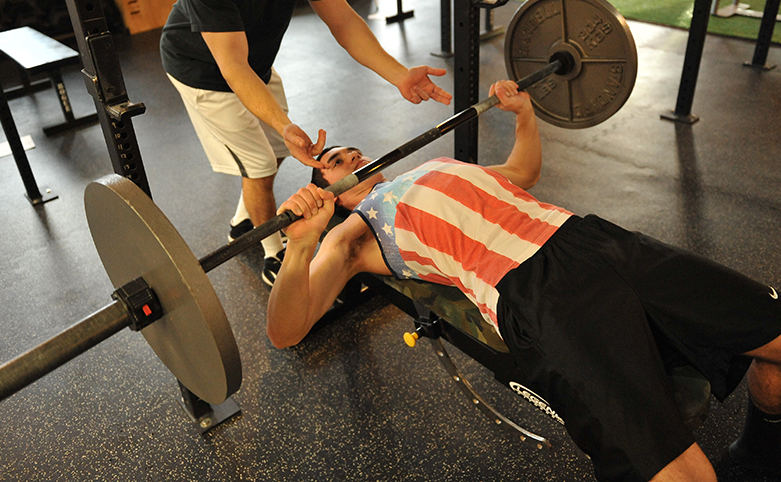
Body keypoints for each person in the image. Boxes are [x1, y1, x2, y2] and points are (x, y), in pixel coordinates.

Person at [267, 80, 781, 482]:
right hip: (535, 293)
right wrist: (302, 244)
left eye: (354, 152)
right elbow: (285, 330)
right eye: (336, 162)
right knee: (688, 474)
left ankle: (756, 454)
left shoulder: (430, 170)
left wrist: (525, 115)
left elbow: (523, 171)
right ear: (326, 194)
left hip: (593, 239)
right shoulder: (352, 236)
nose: (353, 158)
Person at [160, 0, 450, 286]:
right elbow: (233, 67)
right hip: (203, 72)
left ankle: (244, 222)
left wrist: (398, 74)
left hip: (255, 63)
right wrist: (283, 122)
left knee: (277, 154)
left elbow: (343, 20)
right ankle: (273, 254)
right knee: (260, 166)